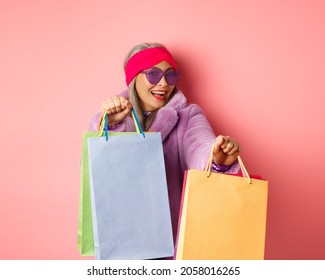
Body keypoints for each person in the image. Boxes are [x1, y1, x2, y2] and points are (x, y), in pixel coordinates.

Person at [89, 42, 241, 242]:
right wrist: (113, 125)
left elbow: (199, 145)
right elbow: (99, 163)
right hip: (121, 235)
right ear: (134, 78)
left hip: (172, 236)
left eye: (170, 75)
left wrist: (216, 156)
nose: (163, 83)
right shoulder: (111, 116)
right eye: (153, 74)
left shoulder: (188, 115)